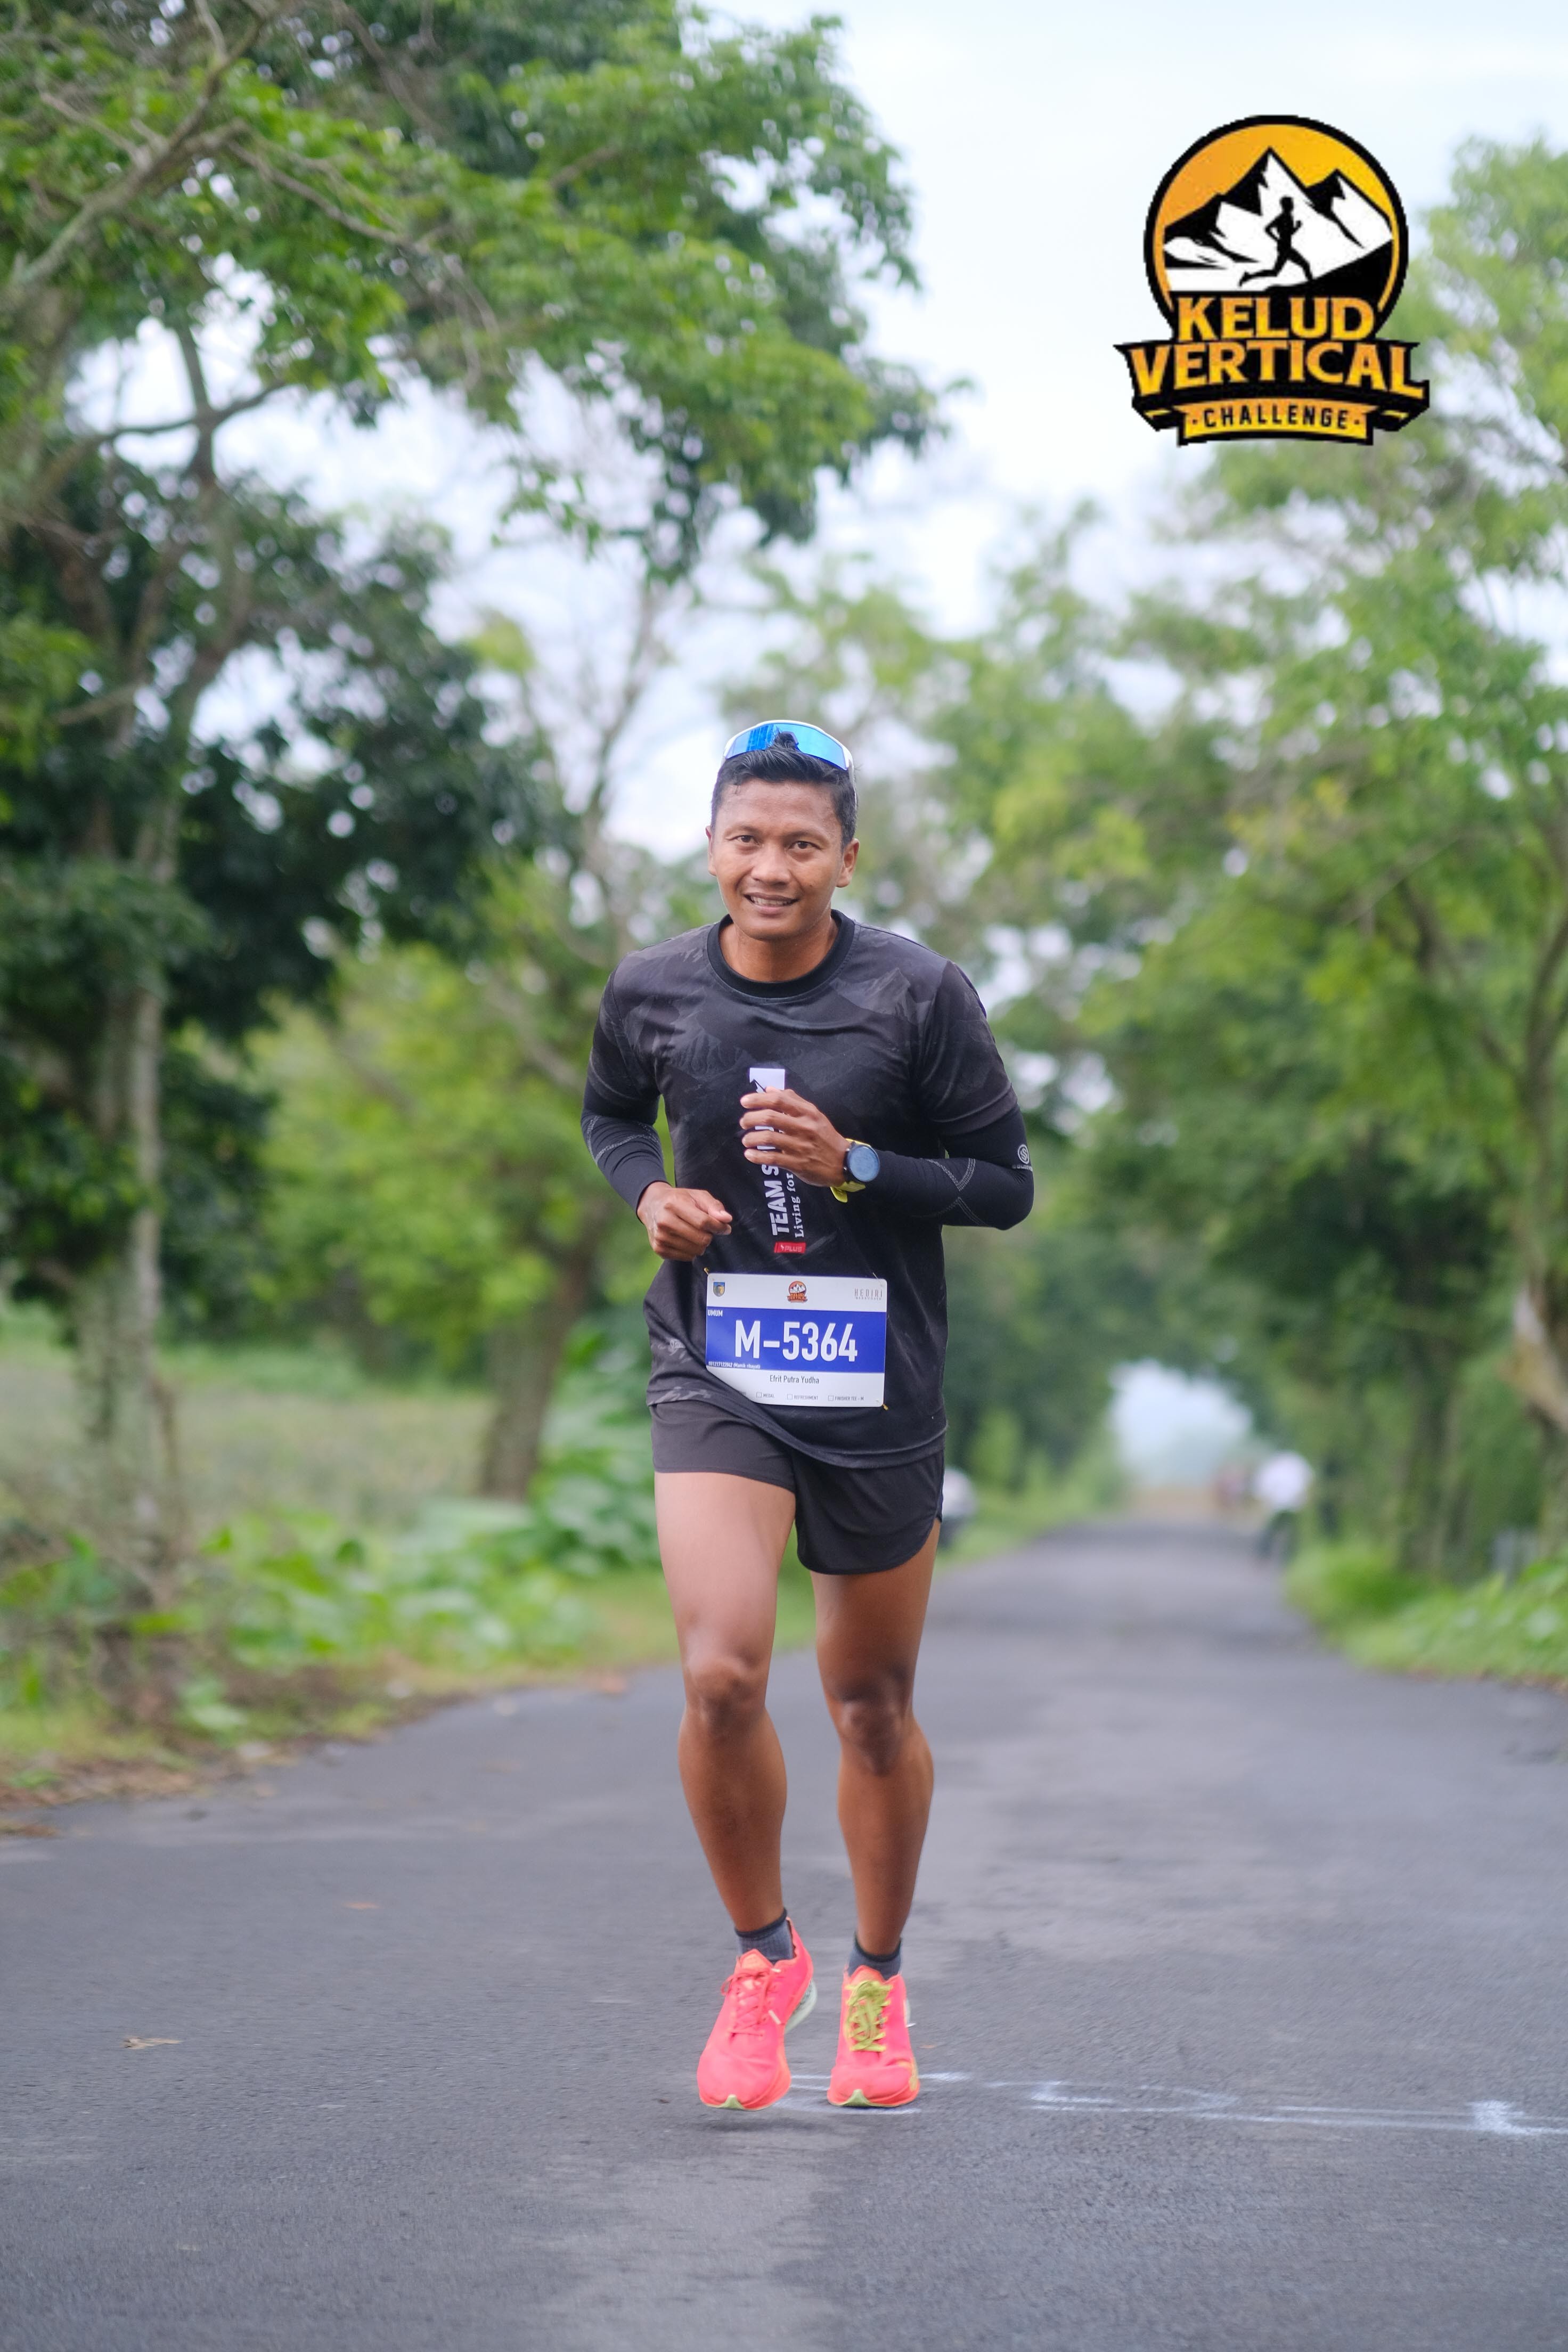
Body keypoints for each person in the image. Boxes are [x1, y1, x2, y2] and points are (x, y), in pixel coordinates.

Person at [581, 720, 1033, 2111]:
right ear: (710, 845)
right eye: (745, 840)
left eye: (798, 844)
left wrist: (857, 1165)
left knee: (868, 1705)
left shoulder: (917, 996)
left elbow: (1003, 1184)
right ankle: (761, 1959)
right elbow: (612, 1117)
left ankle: (875, 1984)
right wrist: (649, 1197)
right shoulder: (653, 988)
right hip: (717, 1363)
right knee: (720, 1673)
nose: (768, 868)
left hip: (874, 1386)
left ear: (847, 857)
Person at [1253, 1448, 1313, 1561]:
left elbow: (1263, 1485)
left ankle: (1264, 1554)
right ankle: (1289, 1556)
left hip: (1281, 1505)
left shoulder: (1274, 1465)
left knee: (1273, 1531)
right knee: (1291, 1533)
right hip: (1292, 1505)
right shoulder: (1297, 1463)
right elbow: (1308, 1480)